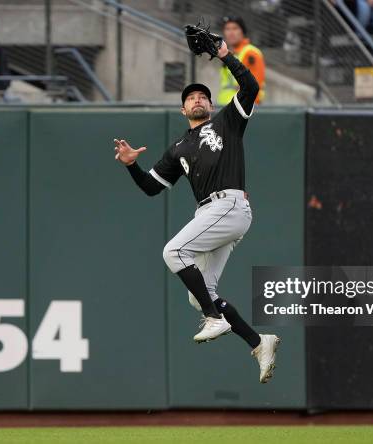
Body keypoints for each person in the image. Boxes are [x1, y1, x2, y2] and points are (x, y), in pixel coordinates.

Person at [113, 40, 280, 384]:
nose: (198, 99)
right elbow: (151, 187)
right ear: (183, 110)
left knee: (173, 251)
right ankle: (258, 341)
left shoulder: (227, 121)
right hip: (210, 213)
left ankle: (214, 318)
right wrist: (132, 165)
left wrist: (223, 54)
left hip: (229, 204)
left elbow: (250, 86)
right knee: (200, 294)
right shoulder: (178, 149)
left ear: (210, 102)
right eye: (190, 97)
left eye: (202, 95)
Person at [218, 16, 265, 105]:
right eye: (227, 29)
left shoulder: (251, 53)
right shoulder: (228, 53)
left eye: (235, 28)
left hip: (241, 110)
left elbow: (255, 87)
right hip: (226, 108)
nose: (231, 33)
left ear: (242, 31)